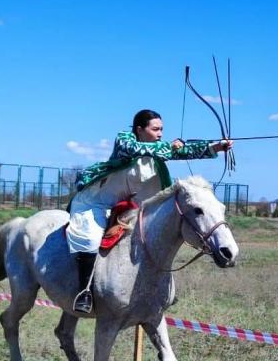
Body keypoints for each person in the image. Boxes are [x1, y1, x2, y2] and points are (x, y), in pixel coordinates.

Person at [67, 109, 232, 313]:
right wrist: (168, 147)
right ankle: (84, 292)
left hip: (128, 206)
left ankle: (155, 291)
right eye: (155, 129)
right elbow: (133, 148)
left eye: (162, 129)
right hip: (97, 202)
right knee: (90, 237)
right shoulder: (125, 140)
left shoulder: (159, 150)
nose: (160, 134)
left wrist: (217, 146)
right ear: (139, 129)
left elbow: (185, 150)